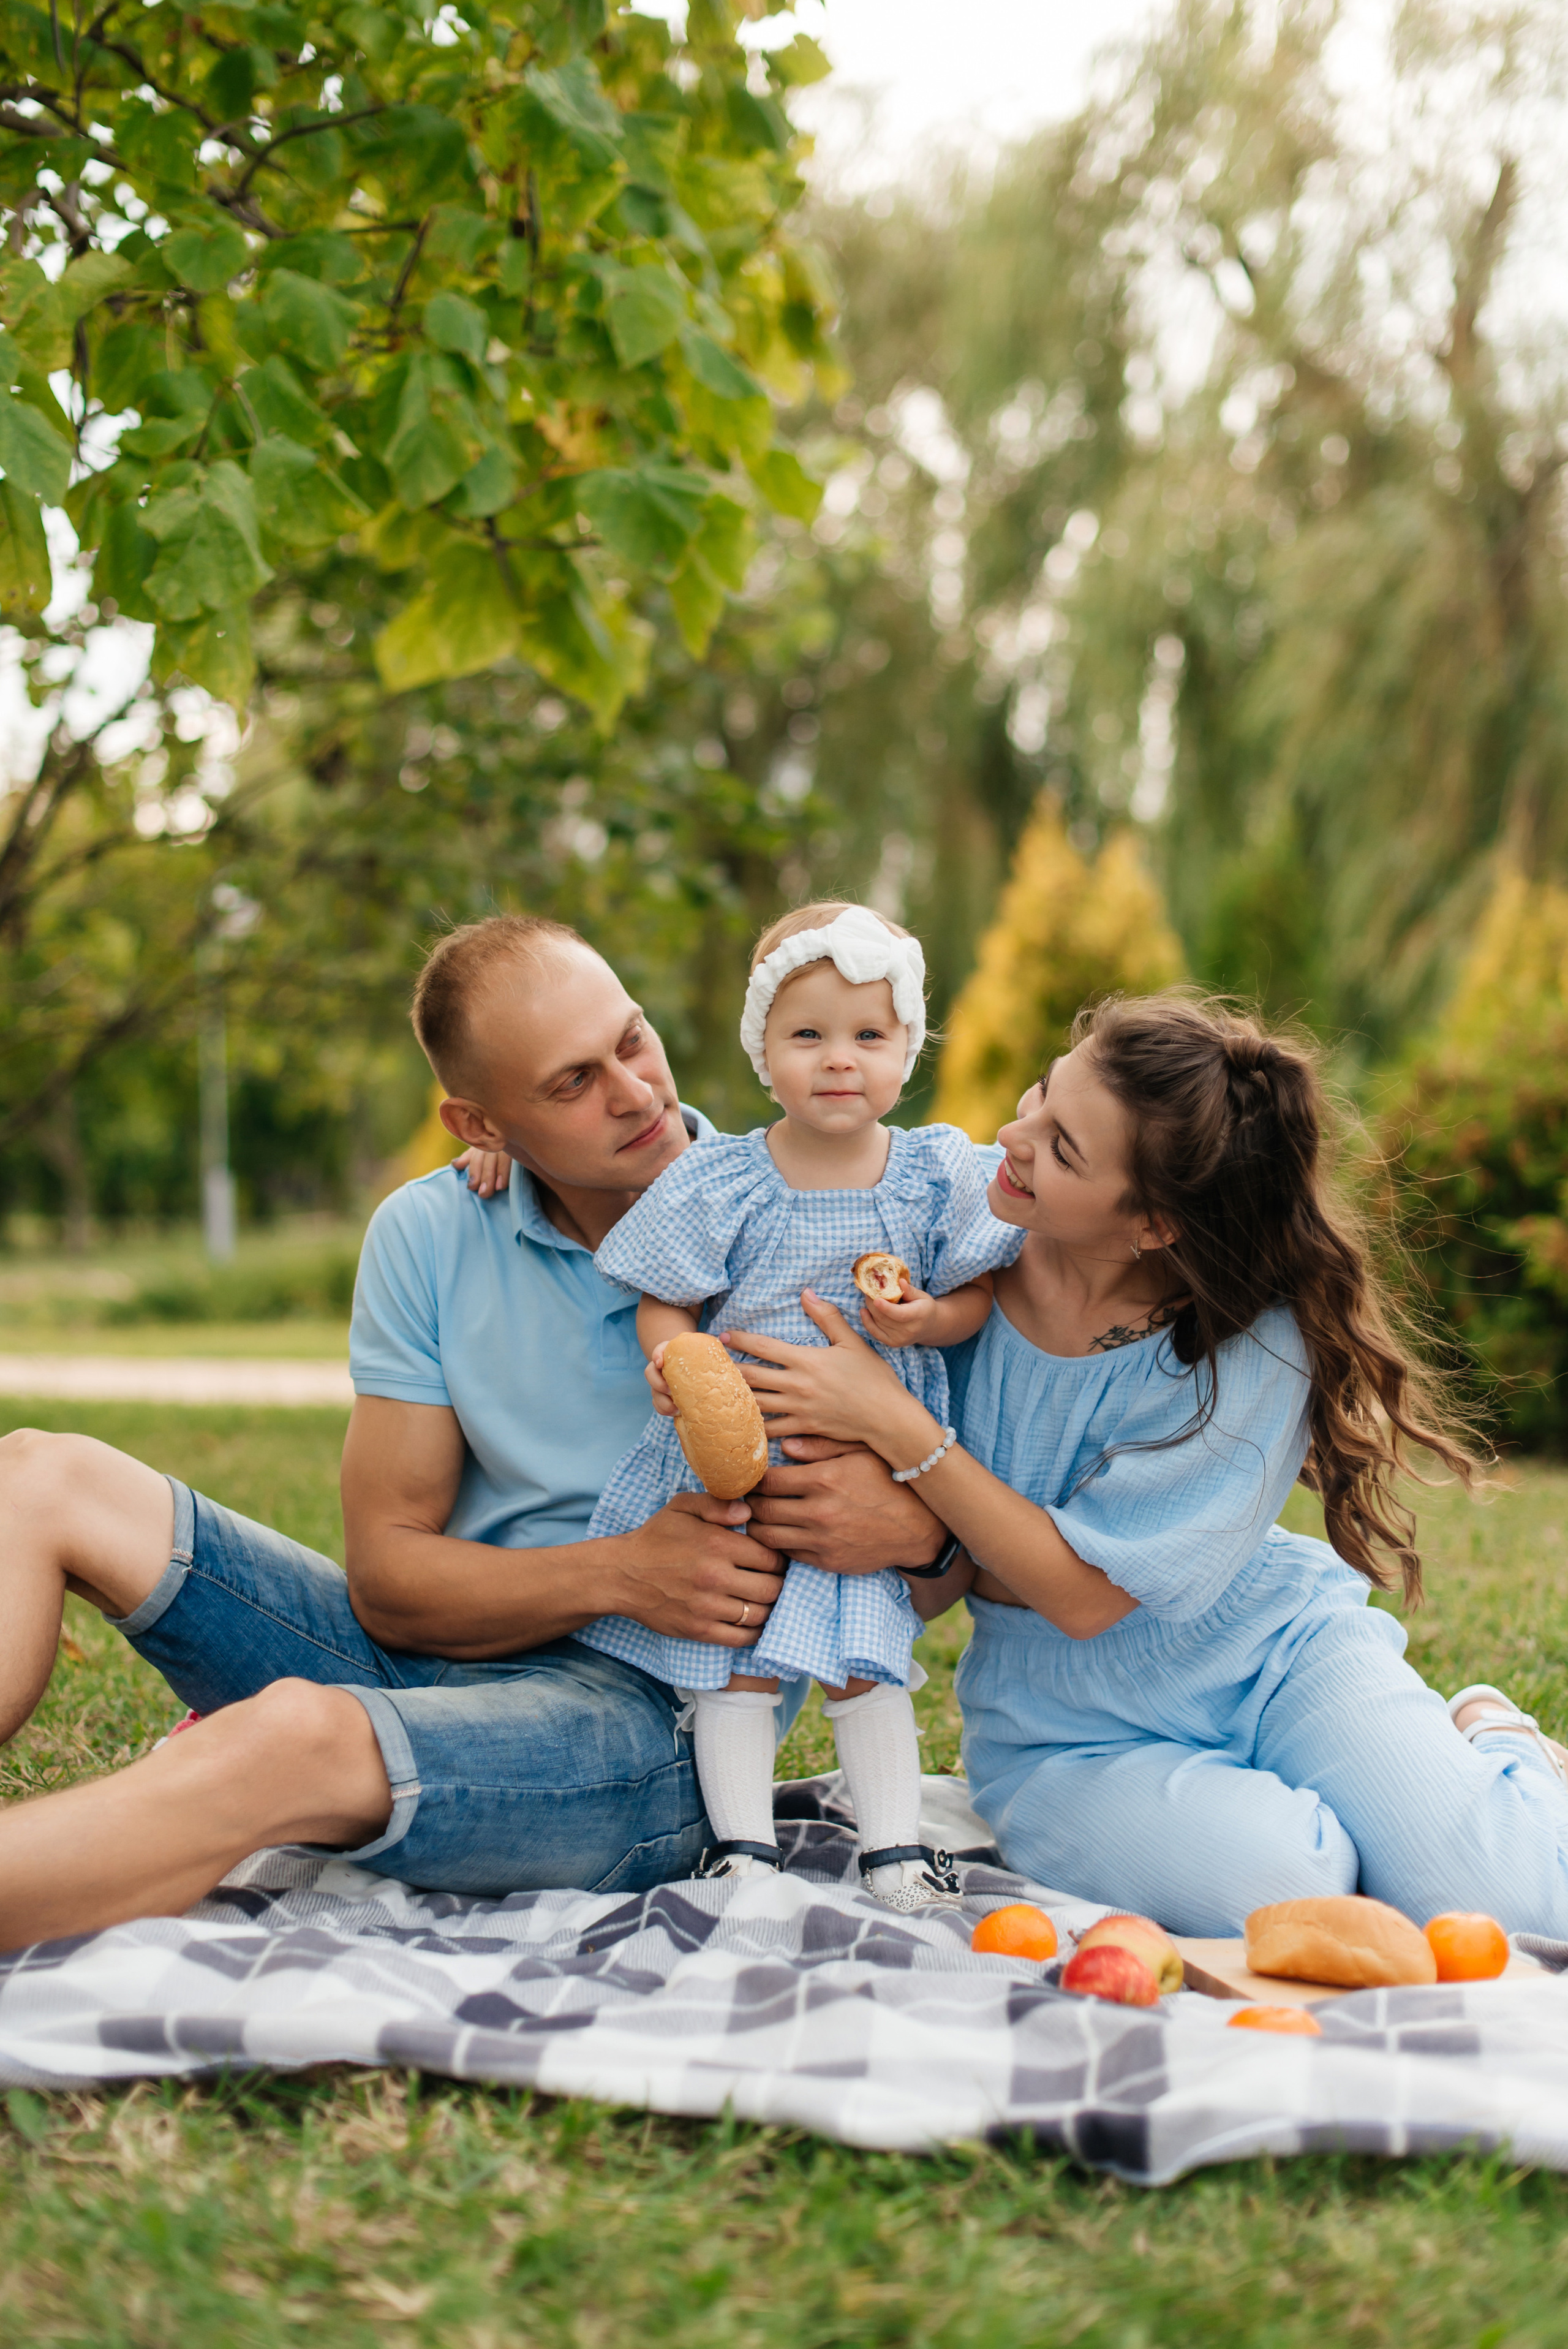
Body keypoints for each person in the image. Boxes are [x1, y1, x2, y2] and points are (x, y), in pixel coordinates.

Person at [0, 916, 949, 1950]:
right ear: (482, 1127)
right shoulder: (432, 1230)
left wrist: (913, 1530)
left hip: (654, 1735)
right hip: (438, 1656)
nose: (635, 1093)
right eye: (570, 1084)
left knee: (289, 1736)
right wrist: (626, 1572)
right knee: (42, 1473)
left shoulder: (810, 1212)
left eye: (631, 1041)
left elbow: (961, 1555)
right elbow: (391, 1585)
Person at [724, 989, 1568, 1939]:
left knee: (1519, 1901)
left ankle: (1496, 1743)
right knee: (1304, 1889)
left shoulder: (1255, 1341)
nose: (1012, 1133)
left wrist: (901, 1433)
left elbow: (1087, 1593)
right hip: (1065, 1734)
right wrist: (516, 1135)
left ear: (1157, 1223)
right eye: (1040, 1097)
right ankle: (1382, 1807)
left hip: (1276, 1658)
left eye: (1064, 1147)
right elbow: (751, 1173)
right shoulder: (944, 1252)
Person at [576, 902, 1022, 1911]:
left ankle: (896, 1850)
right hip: (739, 1459)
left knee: (867, 1658)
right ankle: (741, 1846)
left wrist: (928, 1320)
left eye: (869, 1036)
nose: (838, 1061)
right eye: (807, 1034)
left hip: (862, 1465)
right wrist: (679, 1362)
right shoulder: (725, 1176)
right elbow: (666, 1298)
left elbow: (983, 1291)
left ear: (908, 1049)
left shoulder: (932, 1171)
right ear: (762, 1051)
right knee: (733, 1659)